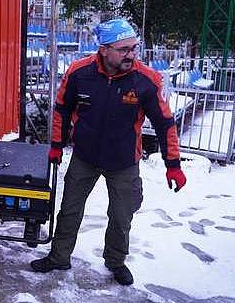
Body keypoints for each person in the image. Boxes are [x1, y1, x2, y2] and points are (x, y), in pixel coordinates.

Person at [30, 18, 187, 285]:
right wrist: (56, 146)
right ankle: (58, 257)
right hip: (85, 156)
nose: (131, 55)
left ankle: (115, 261)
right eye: (123, 49)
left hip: (124, 161)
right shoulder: (80, 73)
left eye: (134, 48)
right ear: (104, 49)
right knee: (69, 209)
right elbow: (62, 110)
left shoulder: (146, 80)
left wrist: (173, 164)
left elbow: (165, 123)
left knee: (121, 215)